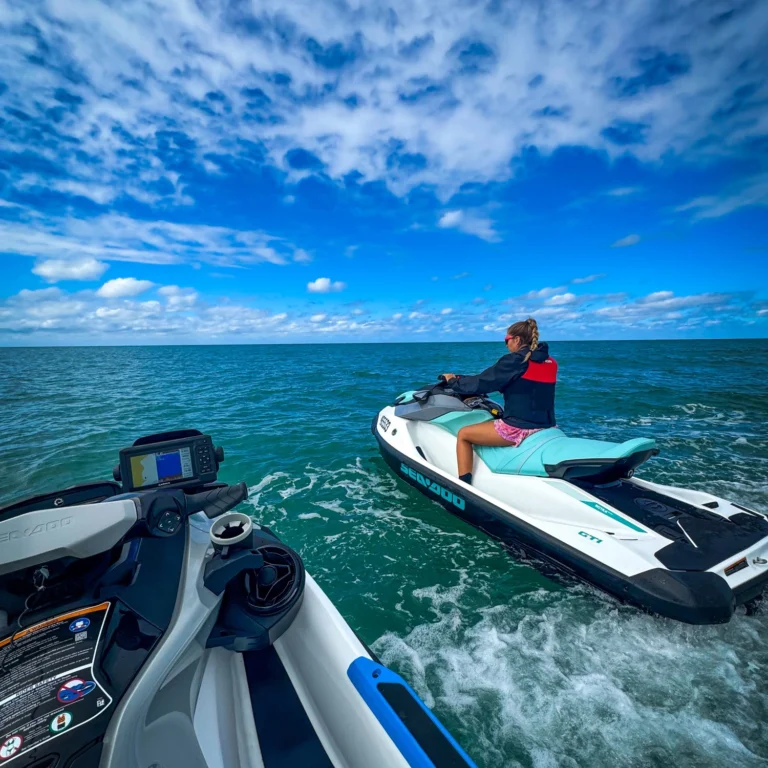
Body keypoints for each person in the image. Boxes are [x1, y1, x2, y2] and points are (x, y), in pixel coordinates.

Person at [441, 318, 557, 485]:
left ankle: (463, 485)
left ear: (517, 340)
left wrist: (453, 381)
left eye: (506, 340)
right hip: (547, 425)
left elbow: (481, 383)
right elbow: (524, 385)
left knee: (464, 434)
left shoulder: (516, 361)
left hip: (519, 428)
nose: (506, 345)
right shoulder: (551, 362)